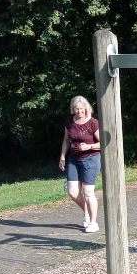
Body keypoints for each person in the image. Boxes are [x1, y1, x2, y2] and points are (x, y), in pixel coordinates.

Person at [58, 96, 101, 233]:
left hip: (91, 159)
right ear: (73, 109)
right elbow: (66, 140)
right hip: (74, 160)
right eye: (76, 109)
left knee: (88, 192)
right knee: (72, 191)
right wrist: (62, 157)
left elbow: (103, 142)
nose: (79, 111)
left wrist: (89, 147)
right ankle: (86, 212)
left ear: (86, 108)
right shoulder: (70, 122)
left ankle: (93, 222)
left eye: (81, 109)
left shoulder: (93, 123)